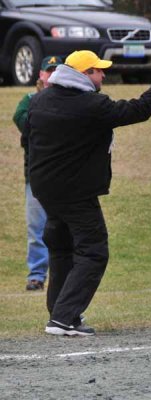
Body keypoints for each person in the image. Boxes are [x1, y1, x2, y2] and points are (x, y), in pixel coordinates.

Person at [25, 50, 151, 336]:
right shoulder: (91, 104)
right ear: (83, 74)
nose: (103, 75)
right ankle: (63, 318)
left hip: (44, 190)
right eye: (98, 70)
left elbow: (29, 135)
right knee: (93, 251)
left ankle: (61, 313)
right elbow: (139, 109)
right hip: (75, 193)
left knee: (61, 249)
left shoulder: (41, 99)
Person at [13, 56, 63, 291]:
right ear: (40, 76)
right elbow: (24, 122)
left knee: (64, 227)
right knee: (37, 229)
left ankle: (63, 274)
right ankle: (36, 275)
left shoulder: (70, 100)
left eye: (56, 70)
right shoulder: (29, 101)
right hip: (35, 177)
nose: (52, 75)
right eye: (48, 71)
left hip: (64, 178)